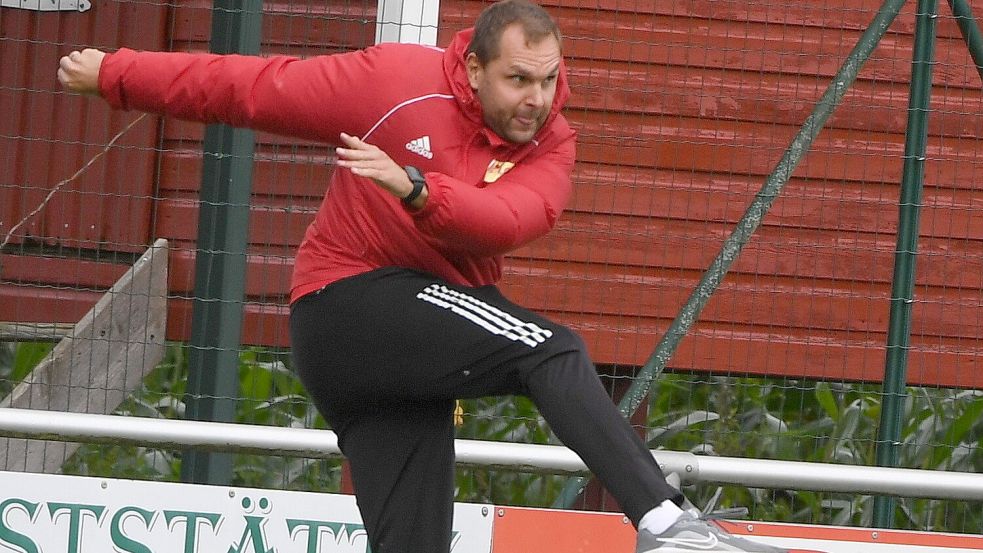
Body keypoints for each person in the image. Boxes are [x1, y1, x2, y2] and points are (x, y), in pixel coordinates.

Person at [57, 1, 793, 552]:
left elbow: (503, 221)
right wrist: (115, 74)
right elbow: (249, 87)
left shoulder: (552, 145)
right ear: (472, 67)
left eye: (547, 80)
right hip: (346, 302)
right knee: (550, 347)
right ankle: (667, 522)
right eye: (515, 80)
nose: (534, 100)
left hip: (403, 354)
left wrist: (416, 190)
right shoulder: (393, 83)